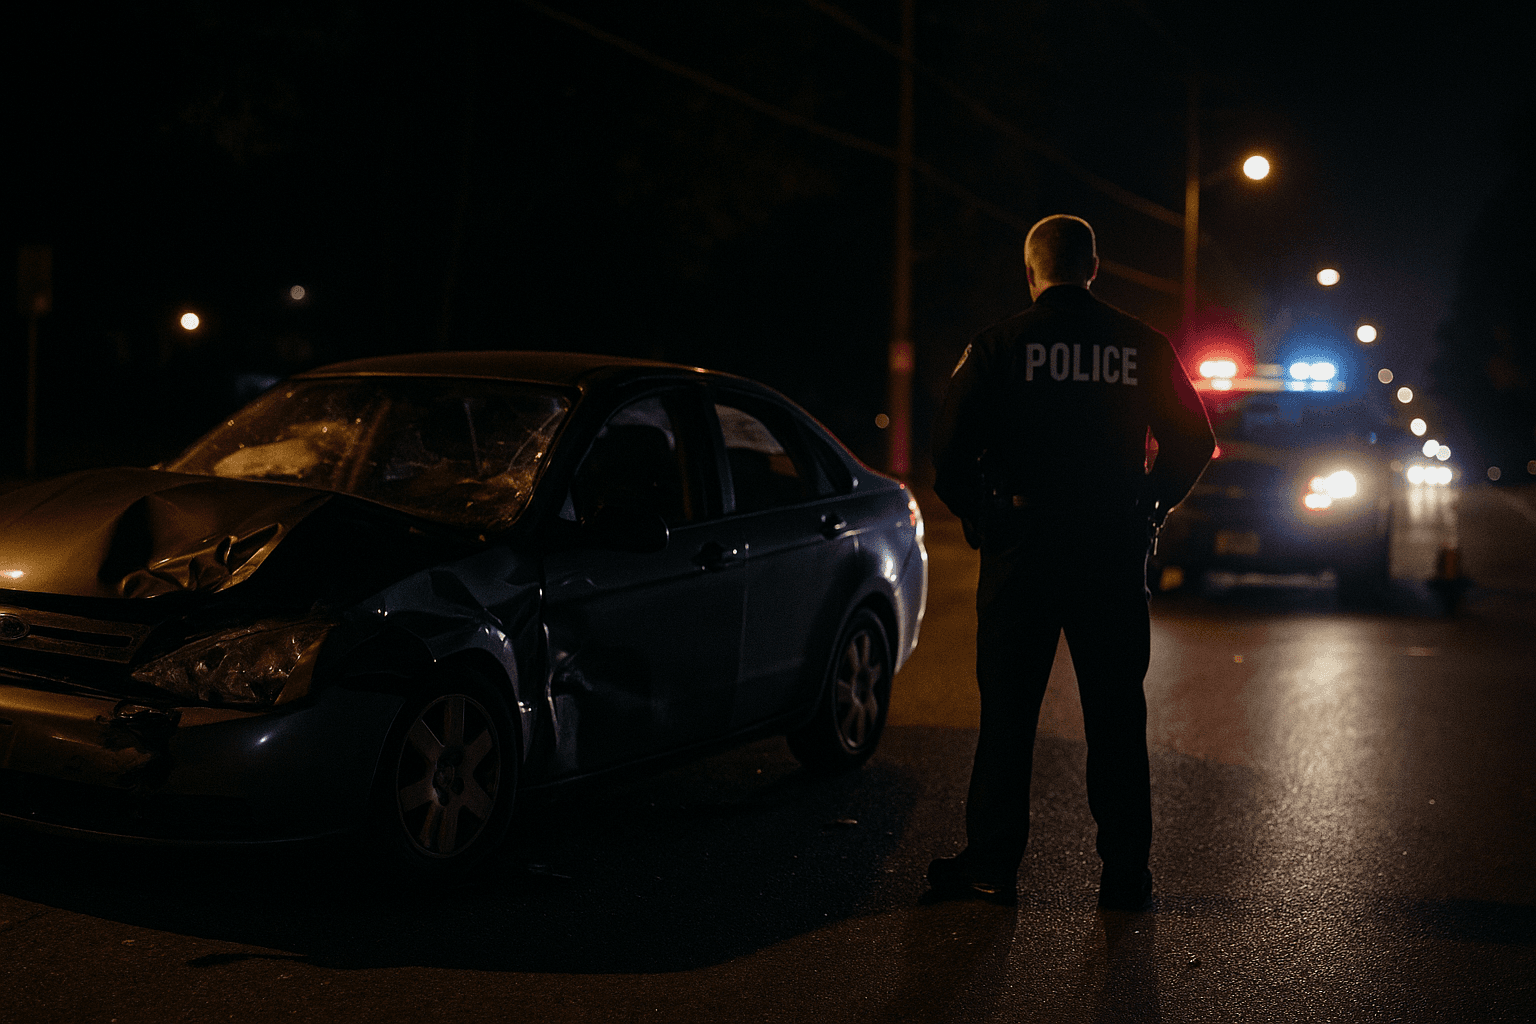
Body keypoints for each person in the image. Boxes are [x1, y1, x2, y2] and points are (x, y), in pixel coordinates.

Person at [928, 214, 1214, 910]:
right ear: (1094, 267)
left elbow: (948, 456)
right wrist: (1150, 507)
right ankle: (1124, 877)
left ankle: (992, 869)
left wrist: (986, 520)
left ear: (1031, 272)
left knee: (1008, 716)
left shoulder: (998, 345)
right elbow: (1195, 440)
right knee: (1116, 715)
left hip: (1023, 549)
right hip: (1110, 550)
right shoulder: (1141, 344)